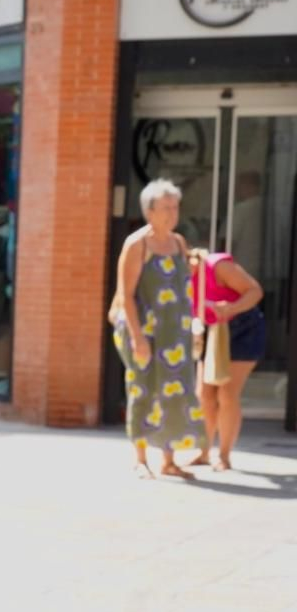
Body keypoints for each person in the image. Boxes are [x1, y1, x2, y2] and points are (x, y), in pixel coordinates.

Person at [110, 179, 205, 480]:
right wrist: (138, 338)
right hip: (144, 330)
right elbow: (126, 295)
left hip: (174, 332)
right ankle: (140, 459)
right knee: (143, 389)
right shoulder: (137, 244)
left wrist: (194, 323)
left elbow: (183, 286)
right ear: (149, 211)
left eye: (175, 207)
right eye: (166, 207)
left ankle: (169, 459)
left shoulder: (178, 242)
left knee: (175, 391)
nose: (172, 213)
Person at [188, 249, 265, 471]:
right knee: (204, 394)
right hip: (209, 331)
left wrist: (232, 307)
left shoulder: (217, 266)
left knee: (227, 393)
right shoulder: (176, 281)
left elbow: (255, 291)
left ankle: (224, 456)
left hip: (242, 329)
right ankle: (203, 453)